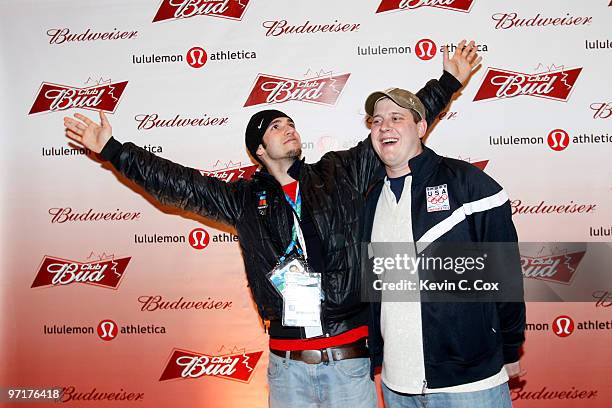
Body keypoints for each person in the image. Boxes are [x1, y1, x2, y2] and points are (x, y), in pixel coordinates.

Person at [63, 40, 480, 408]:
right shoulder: (244, 201)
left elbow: (398, 126)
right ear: (259, 150)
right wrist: (114, 151)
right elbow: (178, 183)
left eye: (291, 123)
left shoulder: (340, 173)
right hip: (287, 370)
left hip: (348, 364)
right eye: (276, 126)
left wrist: (447, 81)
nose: (289, 129)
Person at [362, 86, 526, 407]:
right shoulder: (369, 200)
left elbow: (506, 276)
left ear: (421, 128)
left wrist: (510, 346)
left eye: (397, 117)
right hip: (398, 385)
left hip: (470, 383)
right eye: (376, 120)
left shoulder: (470, 184)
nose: (384, 126)